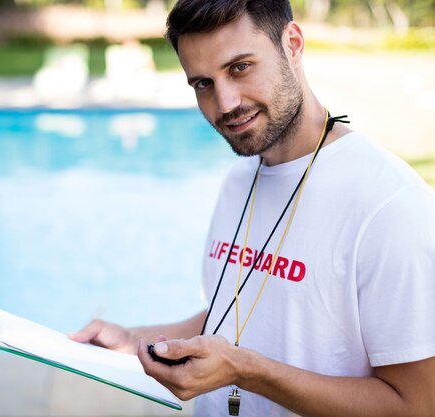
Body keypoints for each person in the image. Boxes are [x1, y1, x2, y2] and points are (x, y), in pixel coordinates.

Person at [69, 0, 435, 415]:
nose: (224, 104)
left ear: (292, 44)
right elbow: (241, 311)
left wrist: (246, 371)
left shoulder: (390, 206)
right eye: (203, 84)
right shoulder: (239, 180)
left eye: (240, 67)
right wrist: (133, 341)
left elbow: (416, 406)